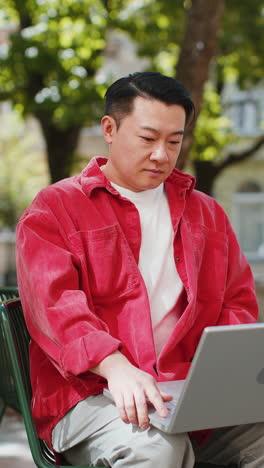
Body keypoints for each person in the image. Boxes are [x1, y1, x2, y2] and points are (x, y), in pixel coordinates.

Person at [16, 72, 264, 468]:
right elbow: (55, 309)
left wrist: (226, 378)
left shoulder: (208, 214)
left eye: (174, 141)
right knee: (156, 450)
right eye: (148, 139)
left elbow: (237, 302)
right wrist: (116, 368)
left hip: (190, 393)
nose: (162, 155)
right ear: (110, 129)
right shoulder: (54, 209)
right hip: (91, 393)